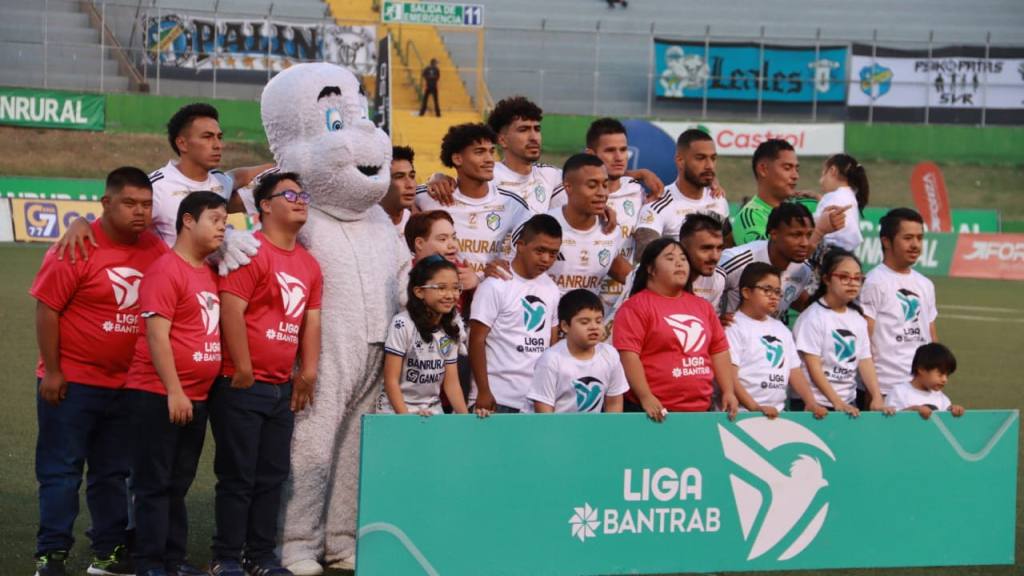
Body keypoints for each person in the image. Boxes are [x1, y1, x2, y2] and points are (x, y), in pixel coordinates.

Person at [30, 167, 168, 576]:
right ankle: (51, 553)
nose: (139, 212)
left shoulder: (156, 249)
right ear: (105, 203)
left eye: (146, 204)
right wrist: (53, 372)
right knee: (61, 471)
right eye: (129, 204)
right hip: (73, 383)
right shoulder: (76, 247)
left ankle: (107, 553)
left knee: (112, 473)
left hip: (127, 386)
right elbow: (47, 309)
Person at [209, 173, 322, 576]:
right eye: (289, 194)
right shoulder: (249, 252)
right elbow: (231, 310)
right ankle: (225, 556)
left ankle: (260, 556)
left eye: (303, 194)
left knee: (272, 476)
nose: (300, 200)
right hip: (241, 384)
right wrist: (241, 367)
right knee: (238, 475)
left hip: (282, 388)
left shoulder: (309, 264)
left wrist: (307, 371)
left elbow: (311, 320)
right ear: (265, 207)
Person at [123, 191, 228, 576]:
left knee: (177, 484)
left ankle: (172, 560)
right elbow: (156, 336)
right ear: (187, 221)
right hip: (158, 395)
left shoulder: (208, 271)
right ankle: (150, 563)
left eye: (225, 222)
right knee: (154, 484)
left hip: (195, 397)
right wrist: (174, 390)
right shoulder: (166, 269)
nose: (222, 228)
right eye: (215, 219)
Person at [54, 103, 270, 261]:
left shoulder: (220, 182)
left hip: (210, 292)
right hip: (170, 293)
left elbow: (240, 175)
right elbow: (113, 224)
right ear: (182, 143)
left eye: (219, 137)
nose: (217, 145)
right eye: (207, 137)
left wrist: (288, 162)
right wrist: (79, 222)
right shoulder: (156, 186)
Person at [612, 237, 739, 422]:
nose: (679, 263)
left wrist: (728, 391)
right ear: (650, 268)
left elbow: (718, 350)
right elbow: (629, 355)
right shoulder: (634, 307)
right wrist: (645, 396)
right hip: (651, 412)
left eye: (683, 258)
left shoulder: (702, 306)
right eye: (670, 258)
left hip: (701, 410)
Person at [469, 214, 562, 413]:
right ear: (520, 245)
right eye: (540, 250)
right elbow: (476, 340)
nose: (546, 259)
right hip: (496, 398)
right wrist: (483, 391)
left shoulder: (552, 289)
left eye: (553, 254)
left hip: (534, 401)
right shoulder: (495, 284)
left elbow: (551, 345)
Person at [413, 123, 531, 279]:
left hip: (488, 296)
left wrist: (487, 276)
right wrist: (434, 178)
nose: (490, 159)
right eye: (479, 152)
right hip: (441, 295)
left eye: (491, 151)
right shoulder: (430, 196)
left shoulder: (513, 205)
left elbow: (524, 257)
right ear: (457, 158)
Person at [792, 248, 891, 416]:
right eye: (844, 277)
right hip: (814, 406)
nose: (852, 283)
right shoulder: (812, 318)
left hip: (847, 403)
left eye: (857, 278)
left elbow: (865, 361)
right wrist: (836, 402)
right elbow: (813, 367)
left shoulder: (857, 319)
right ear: (827, 279)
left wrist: (876, 397)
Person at [725, 263, 827, 418]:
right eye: (766, 290)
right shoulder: (733, 326)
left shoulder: (781, 329)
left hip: (777, 415)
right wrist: (754, 407)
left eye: (778, 292)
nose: (774, 296)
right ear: (746, 292)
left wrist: (810, 401)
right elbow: (729, 375)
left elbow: (794, 371)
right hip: (742, 415)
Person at [378, 256, 474, 416]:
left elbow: (451, 383)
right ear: (419, 291)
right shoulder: (402, 324)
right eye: (441, 288)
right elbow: (391, 381)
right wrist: (407, 420)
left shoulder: (452, 327)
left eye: (456, 288)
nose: (451, 295)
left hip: (432, 412)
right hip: (396, 414)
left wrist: (466, 420)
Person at [860, 208, 938, 399]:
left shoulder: (925, 284)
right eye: (908, 238)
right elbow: (864, 341)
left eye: (920, 238)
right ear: (886, 241)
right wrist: (874, 392)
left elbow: (931, 335)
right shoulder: (874, 282)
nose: (915, 245)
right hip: (886, 387)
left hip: (921, 386)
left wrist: (935, 374)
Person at [634, 128, 731, 259]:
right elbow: (645, 259)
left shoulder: (718, 199)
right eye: (700, 158)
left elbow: (728, 249)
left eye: (713, 158)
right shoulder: (656, 206)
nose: (709, 166)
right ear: (680, 160)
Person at [545, 153, 631, 298]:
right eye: (592, 186)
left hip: (589, 319)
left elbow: (626, 274)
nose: (602, 193)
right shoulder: (544, 225)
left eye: (605, 185)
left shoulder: (611, 229)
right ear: (568, 187)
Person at [528, 289, 627, 413]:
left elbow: (614, 403)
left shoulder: (610, 355)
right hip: (553, 429)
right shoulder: (551, 360)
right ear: (565, 326)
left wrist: (612, 432)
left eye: (598, 321)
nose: (594, 327)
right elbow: (544, 412)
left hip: (588, 430)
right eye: (584, 322)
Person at [584, 118, 646, 310]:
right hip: (586, 301)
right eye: (610, 151)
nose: (619, 157)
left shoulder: (638, 192)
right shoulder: (568, 194)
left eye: (623, 149)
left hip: (624, 301)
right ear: (591, 154)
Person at [719, 202, 816, 319]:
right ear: (774, 234)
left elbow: (795, 299)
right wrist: (715, 321)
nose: (805, 243)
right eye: (796, 235)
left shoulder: (804, 270)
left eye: (809, 235)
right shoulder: (736, 260)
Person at [487, 96, 567, 213]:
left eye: (537, 129)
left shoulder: (552, 176)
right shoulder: (487, 178)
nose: (534, 137)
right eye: (523, 130)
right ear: (502, 140)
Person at [732, 139, 799, 245]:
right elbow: (770, 258)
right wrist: (818, 232)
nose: (795, 176)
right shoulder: (751, 218)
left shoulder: (798, 208)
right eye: (787, 168)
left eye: (796, 169)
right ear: (763, 169)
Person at [888, 343, 965, 419]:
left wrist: (953, 411)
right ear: (922, 369)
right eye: (940, 374)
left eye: (947, 375)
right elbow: (890, 422)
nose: (945, 379)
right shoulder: (899, 392)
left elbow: (945, 425)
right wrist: (914, 410)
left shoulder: (943, 399)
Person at [815, 153, 869, 252]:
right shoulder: (850, 195)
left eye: (823, 173)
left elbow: (817, 228)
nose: (820, 181)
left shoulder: (832, 198)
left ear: (832, 171)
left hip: (830, 256)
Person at [680, 213, 727, 311]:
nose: (715, 257)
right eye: (706, 248)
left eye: (719, 248)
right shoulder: (657, 275)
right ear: (683, 247)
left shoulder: (718, 278)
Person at [381, 146, 417, 235]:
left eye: (412, 176)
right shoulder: (364, 225)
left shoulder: (420, 225)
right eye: (399, 177)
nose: (410, 185)